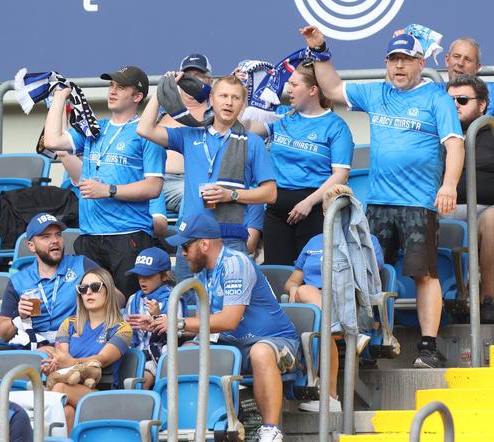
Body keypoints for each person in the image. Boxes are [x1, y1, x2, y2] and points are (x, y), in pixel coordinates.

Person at [299, 26, 464, 368]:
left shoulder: (436, 97)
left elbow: (454, 144)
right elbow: (330, 87)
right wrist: (320, 49)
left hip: (419, 203)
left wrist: (448, 185)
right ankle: (370, 342)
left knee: (425, 273)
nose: (398, 67)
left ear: (421, 63)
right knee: (366, 273)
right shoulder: (376, 92)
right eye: (393, 60)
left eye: (405, 60)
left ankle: (428, 347)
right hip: (378, 203)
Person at [154, 213, 299, 442]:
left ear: (204, 244)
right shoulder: (201, 272)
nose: (181, 253)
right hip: (233, 343)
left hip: (275, 341)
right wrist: (163, 324)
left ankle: (271, 431)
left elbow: (229, 320)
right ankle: (198, 425)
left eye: (185, 246)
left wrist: (179, 322)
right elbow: (209, 324)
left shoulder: (235, 263)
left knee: (260, 352)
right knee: (186, 352)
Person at [137, 74, 276, 290]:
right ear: (211, 99)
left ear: (242, 104)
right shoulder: (190, 134)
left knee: (230, 309)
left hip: (229, 239)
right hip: (192, 238)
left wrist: (232, 195)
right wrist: (163, 89)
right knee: (189, 308)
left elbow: (270, 193)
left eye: (235, 98)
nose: (229, 102)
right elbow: (144, 129)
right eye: (223, 96)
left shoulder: (253, 142)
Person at [43, 66, 166, 296]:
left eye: (121, 87)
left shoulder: (147, 133)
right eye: (111, 85)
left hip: (127, 236)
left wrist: (108, 190)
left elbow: (154, 187)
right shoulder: (95, 127)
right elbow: (52, 140)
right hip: (90, 236)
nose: (112, 91)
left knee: (130, 309)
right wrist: (59, 96)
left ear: (137, 96)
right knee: (94, 311)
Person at [284, 185, 383, 412]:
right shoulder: (313, 242)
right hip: (313, 305)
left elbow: (369, 277)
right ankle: (330, 398)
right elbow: (292, 281)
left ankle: (329, 397)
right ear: (324, 213)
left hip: (347, 301)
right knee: (309, 299)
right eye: (331, 210)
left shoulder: (365, 239)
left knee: (316, 311)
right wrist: (292, 290)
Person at [243, 62, 354, 265]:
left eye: (294, 85)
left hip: (313, 209)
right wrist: (244, 92)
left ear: (313, 90)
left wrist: (308, 203)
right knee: (279, 275)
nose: (289, 89)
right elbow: (247, 130)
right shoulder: (282, 115)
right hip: (276, 212)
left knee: (311, 276)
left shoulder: (336, 126)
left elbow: (340, 175)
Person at [41, 268, 132, 434]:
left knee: (60, 389)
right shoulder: (68, 324)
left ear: (108, 290)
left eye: (95, 287)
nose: (88, 292)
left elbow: (102, 359)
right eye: (83, 289)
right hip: (69, 387)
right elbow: (61, 359)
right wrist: (52, 369)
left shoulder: (122, 328)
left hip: (103, 394)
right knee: (67, 410)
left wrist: (71, 363)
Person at [0, 212, 101, 350]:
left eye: (58, 234)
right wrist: (19, 315)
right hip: (32, 342)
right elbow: (4, 335)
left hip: (72, 340)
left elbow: (118, 299)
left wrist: (96, 292)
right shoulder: (18, 280)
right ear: (31, 246)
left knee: (48, 353)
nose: (55, 240)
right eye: (46, 237)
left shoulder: (82, 265)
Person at [444, 74, 494, 320]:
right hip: (441, 209)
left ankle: (487, 301)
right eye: (449, 100)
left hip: (485, 211)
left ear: (482, 104)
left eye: (462, 100)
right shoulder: (434, 136)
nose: (455, 105)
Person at [124, 247, 185, 389]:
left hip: (159, 355)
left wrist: (156, 317)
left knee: (142, 380)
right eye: (139, 276)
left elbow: (178, 334)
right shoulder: (134, 299)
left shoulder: (174, 298)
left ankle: (140, 409)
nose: (142, 280)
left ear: (164, 276)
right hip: (134, 353)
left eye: (148, 276)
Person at [160, 53, 214, 215]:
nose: (192, 81)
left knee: (197, 195)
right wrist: (164, 88)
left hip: (200, 182)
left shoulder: (218, 112)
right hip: (161, 181)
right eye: (187, 76)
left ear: (210, 82)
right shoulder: (162, 111)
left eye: (198, 76)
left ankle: (185, 239)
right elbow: (142, 131)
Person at [443, 37, 494, 115]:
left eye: (467, 59)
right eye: (456, 56)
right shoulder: (430, 91)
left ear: (477, 67)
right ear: (447, 60)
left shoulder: (491, 93)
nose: (460, 63)